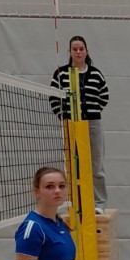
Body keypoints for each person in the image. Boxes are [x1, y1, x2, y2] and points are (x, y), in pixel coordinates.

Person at [49, 35, 111, 212]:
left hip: (92, 124)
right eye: (74, 49)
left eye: (81, 49)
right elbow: (53, 97)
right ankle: (76, 204)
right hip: (71, 123)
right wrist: (63, 116)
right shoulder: (61, 73)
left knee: (96, 166)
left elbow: (104, 96)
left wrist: (92, 111)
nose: (78, 52)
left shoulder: (95, 74)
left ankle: (99, 204)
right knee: (73, 165)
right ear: (69, 52)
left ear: (86, 51)